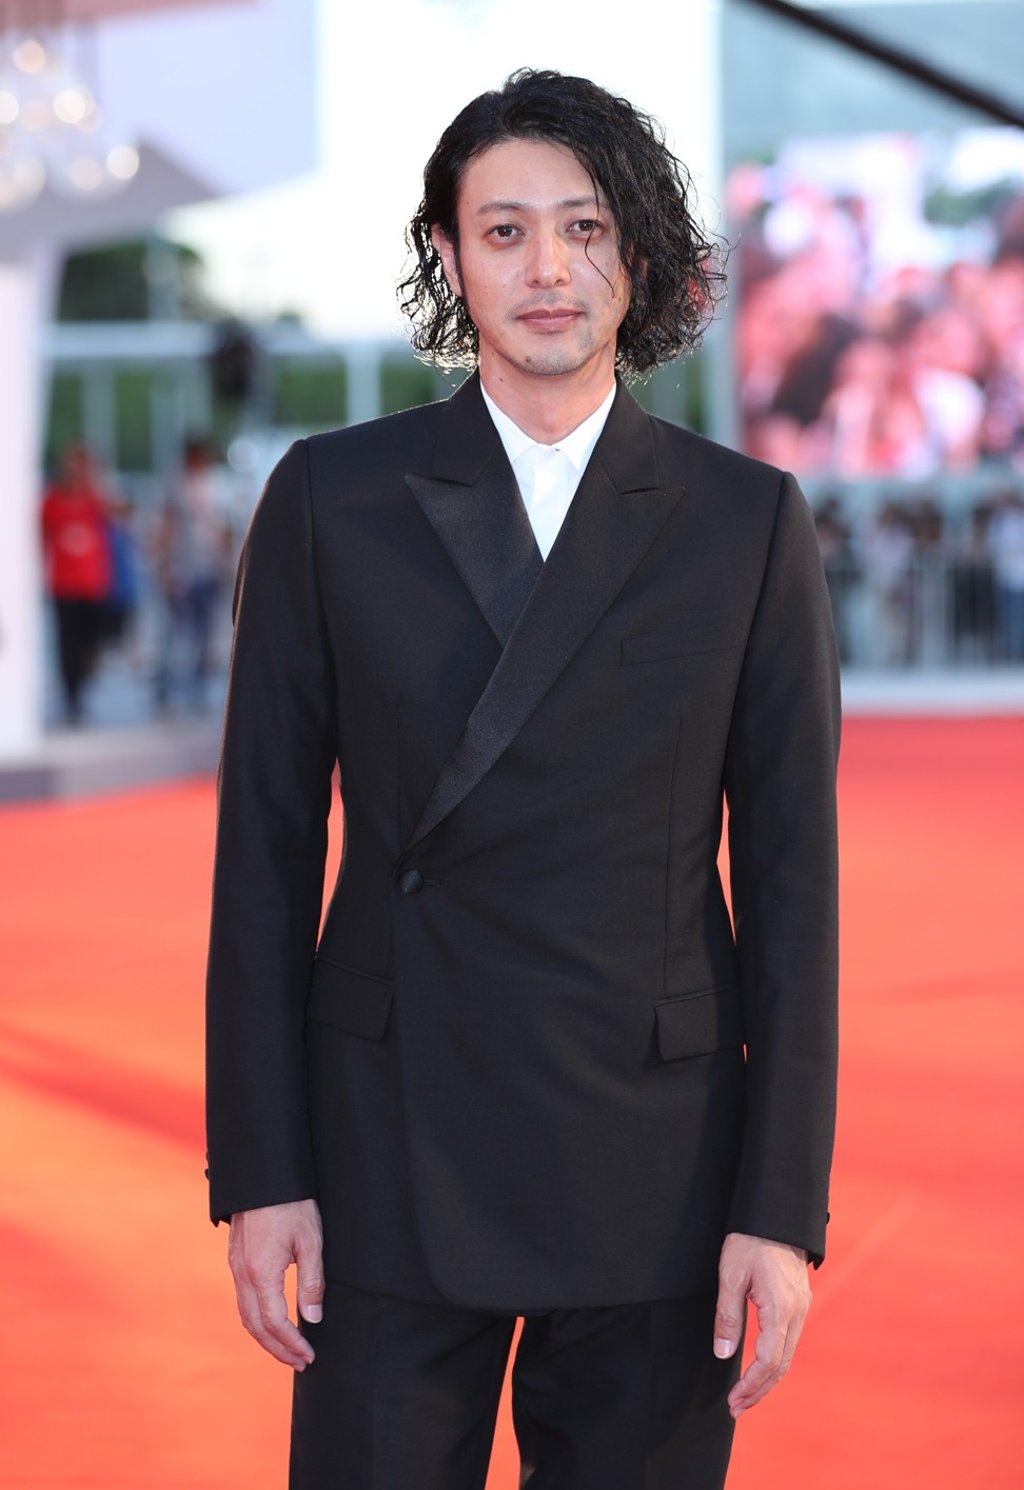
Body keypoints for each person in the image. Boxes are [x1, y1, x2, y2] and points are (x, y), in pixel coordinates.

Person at [206, 70, 840, 1490]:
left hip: (658, 1163)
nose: (548, 270)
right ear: (449, 256)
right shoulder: (331, 498)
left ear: (642, 255)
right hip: (385, 1146)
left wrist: (782, 1207)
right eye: (504, 232)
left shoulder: (747, 522)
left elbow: (796, 886)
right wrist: (259, 1169)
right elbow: (260, 855)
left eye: (586, 226)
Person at [152, 435, 230, 711]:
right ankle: (165, 685)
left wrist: (226, 562)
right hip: (181, 567)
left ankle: (197, 688)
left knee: (204, 632)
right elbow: (166, 525)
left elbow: (223, 528)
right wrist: (162, 565)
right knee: (175, 632)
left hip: (208, 566)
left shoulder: (216, 484)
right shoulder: (176, 485)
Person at [40, 442, 113, 723]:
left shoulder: (95, 498)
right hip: (63, 584)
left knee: (91, 641)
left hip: (93, 583)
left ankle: (83, 682)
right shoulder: (52, 501)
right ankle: (72, 696)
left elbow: (117, 514)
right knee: (66, 643)